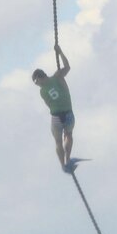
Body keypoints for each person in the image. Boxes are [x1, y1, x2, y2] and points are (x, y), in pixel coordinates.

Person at [31, 45, 79, 173]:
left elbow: (48, 105)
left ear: (39, 78)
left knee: (58, 141)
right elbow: (67, 66)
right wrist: (60, 52)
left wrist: (59, 51)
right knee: (68, 135)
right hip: (68, 114)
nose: (37, 85)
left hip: (56, 117)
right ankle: (67, 160)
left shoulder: (42, 91)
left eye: (36, 82)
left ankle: (63, 165)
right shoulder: (57, 76)